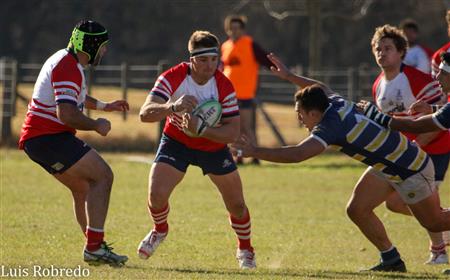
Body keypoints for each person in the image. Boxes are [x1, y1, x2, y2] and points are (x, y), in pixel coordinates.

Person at [233, 53, 450, 272]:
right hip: (388, 164)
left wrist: (254, 151)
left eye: (301, 114)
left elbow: (298, 154)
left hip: (410, 169)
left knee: (435, 223)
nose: (300, 120)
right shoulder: (333, 101)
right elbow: (319, 86)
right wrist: (289, 76)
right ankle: (392, 260)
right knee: (357, 209)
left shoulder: (330, 127)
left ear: (314, 113)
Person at [137, 30, 256, 269]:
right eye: (203, 60)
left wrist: (200, 130)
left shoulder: (223, 85)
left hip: (213, 146)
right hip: (176, 141)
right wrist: (172, 107)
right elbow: (144, 114)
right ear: (191, 59)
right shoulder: (173, 77)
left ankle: (245, 249)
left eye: (214, 59)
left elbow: (233, 133)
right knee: (156, 195)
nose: (210, 65)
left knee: (237, 205)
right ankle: (160, 230)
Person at [18, 20, 129, 266]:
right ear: (90, 44)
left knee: (83, 190)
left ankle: (95, 248)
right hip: (48, 137)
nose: (105, 51)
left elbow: (74, 96)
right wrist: (96, 124)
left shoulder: (67, 61)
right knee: (104, 176)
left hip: (40, 139)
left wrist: (104, 106)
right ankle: (94, 248)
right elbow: (66, 113)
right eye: (102, 45)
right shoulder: (67, 65)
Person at [371, 24, 450, 264]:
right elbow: (443, 111)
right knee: (400, 204)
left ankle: (439, 248)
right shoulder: (378, 84)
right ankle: (441, 241)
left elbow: (433, 123)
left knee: (426, 211)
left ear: (401, 52)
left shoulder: (418, 79)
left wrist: (414, 146)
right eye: (378, 48)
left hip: (432, 149)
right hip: (404, 153)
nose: (382, 53)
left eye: (387, 48)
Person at [221, 15, 274, 165]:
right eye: (231, 28)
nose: (234, 31)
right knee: (234, 128)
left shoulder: (250, 44)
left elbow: (265, 59)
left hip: (245, 93)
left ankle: (256, 156)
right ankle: (238, 156)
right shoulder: (225, 46)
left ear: (243, 29)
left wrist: (279, 70)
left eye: (237, 28)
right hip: (228, 95)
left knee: (246, 126)